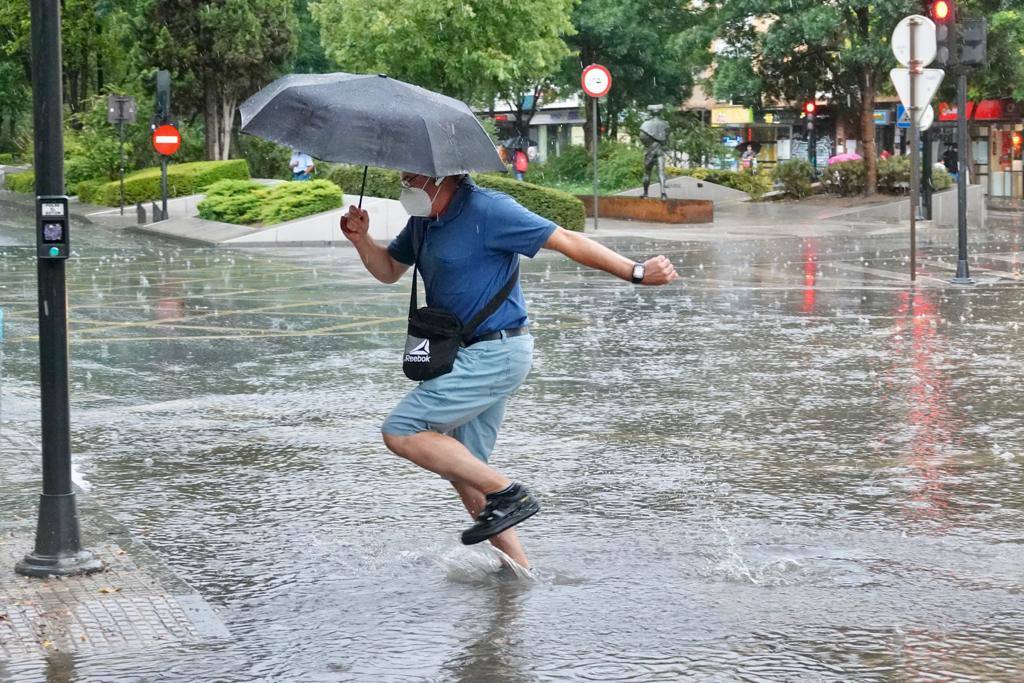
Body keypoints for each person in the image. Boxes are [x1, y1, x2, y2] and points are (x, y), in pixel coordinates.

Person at [339, 173, 678, 570]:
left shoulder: (488, 208)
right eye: (401, 176)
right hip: (462, 354)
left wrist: (634, 272)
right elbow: (389, 269)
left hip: (497, 350)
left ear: (440, 174)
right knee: (465, 470)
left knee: (402, 430)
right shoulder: (425, 220)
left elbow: (565, 239)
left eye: (410, 176)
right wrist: (362, 239)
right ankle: (518, 570)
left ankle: (509, 491)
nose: (404, 184)